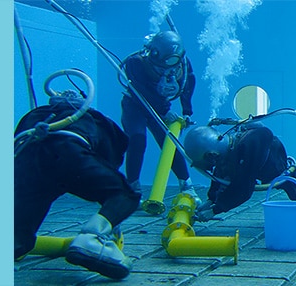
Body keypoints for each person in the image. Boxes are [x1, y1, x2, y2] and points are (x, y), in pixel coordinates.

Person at [14, 91, 139, 279]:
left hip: (28, 159)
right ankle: (92, 238)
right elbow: (110, 159)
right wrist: (112, 214)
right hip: (69, 152)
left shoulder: (34, 115)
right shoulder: (96, 118)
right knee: (126, 195)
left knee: (18, 238)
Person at [119, 30, 197, 196]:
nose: (167, 71)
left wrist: (187, 111)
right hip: (135, 105)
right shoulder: (136, 62)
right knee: (137, 139)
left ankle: (187, 185)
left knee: (169, 142)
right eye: (160, 67)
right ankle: (132, 188)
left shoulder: (182, 63)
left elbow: (187, 83)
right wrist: (165, 110)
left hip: (161, 106)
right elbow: (141, 91)